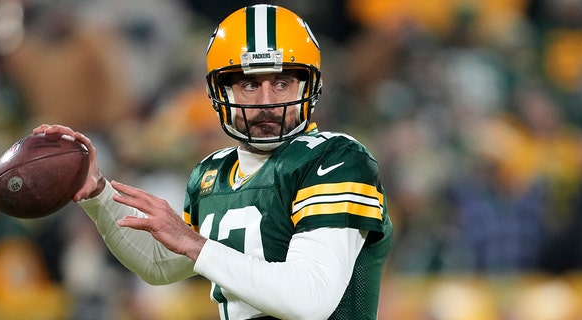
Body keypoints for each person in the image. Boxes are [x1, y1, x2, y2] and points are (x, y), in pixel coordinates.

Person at [34, 4, 392, 319]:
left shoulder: (336, 158)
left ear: (307, 87)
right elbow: (159, 265)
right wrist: (98, 193)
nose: (266, 100)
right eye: (249, 85)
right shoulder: (213, 173)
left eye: (281, 83)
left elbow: (310, 300)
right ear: (220, 92)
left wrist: (195, 244)